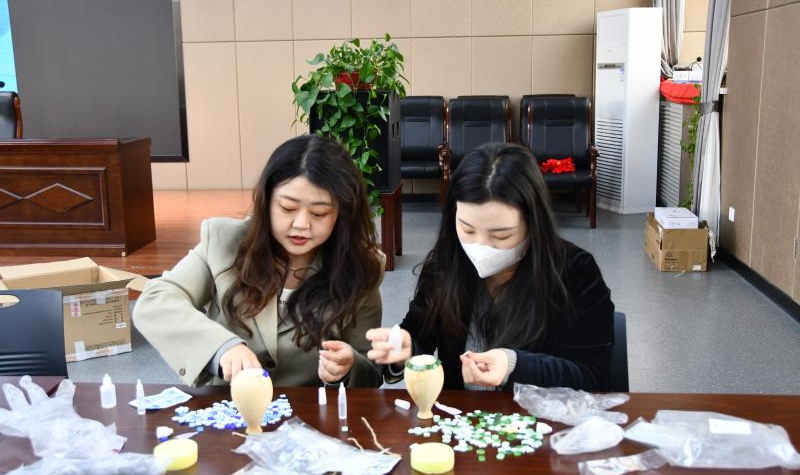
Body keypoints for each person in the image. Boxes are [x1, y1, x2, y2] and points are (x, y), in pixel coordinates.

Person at [134, 135, 384, 387]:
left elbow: (370, 372)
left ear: (341, 213)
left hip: (307, 409)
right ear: (266, 202)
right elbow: (156, 300)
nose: (301, 224)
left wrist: (348, 367)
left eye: (319, 213)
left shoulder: (360, 267)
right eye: (287, 208)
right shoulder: (223, 242)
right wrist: (221, 347)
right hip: (229, 404)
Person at [366, 142, 614, 391]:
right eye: (467, 229)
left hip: (538, 413)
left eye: (501, 235)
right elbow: (419, 333)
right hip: (462, 413)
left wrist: (514, 365)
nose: (480, 246)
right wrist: (406, 349)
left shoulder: (575, 272)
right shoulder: (446, 264)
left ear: (534, 225)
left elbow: (594, 377)